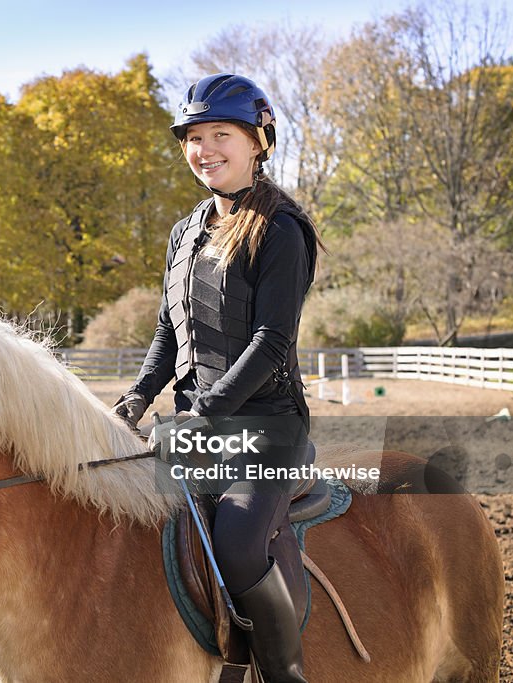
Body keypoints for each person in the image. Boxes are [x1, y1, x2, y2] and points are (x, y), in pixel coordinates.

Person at [113, 73, 324, 683]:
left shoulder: (283, 229)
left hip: (265, 429)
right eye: (194, 137)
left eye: (221, 134)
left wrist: (208, 408)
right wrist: (137, 396)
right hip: (197, 426)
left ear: (258, 140)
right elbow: (167, 332)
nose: (205, 149)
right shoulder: (185, 231)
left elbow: (271, 342)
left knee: (234, 541)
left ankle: (284, 672)